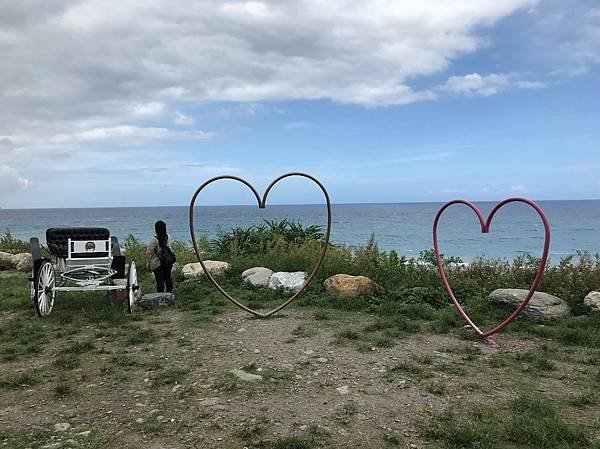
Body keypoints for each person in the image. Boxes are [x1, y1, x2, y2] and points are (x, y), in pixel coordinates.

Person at [146, 220, 174, 293]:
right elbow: (169, 247)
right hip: (167, 261)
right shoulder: (168, 237)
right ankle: (169, 294)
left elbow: (149, 253)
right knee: (168, 279)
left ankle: (160, 296)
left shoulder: (154, 239)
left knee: (160, 281)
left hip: (157, 263)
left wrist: (148, 263)